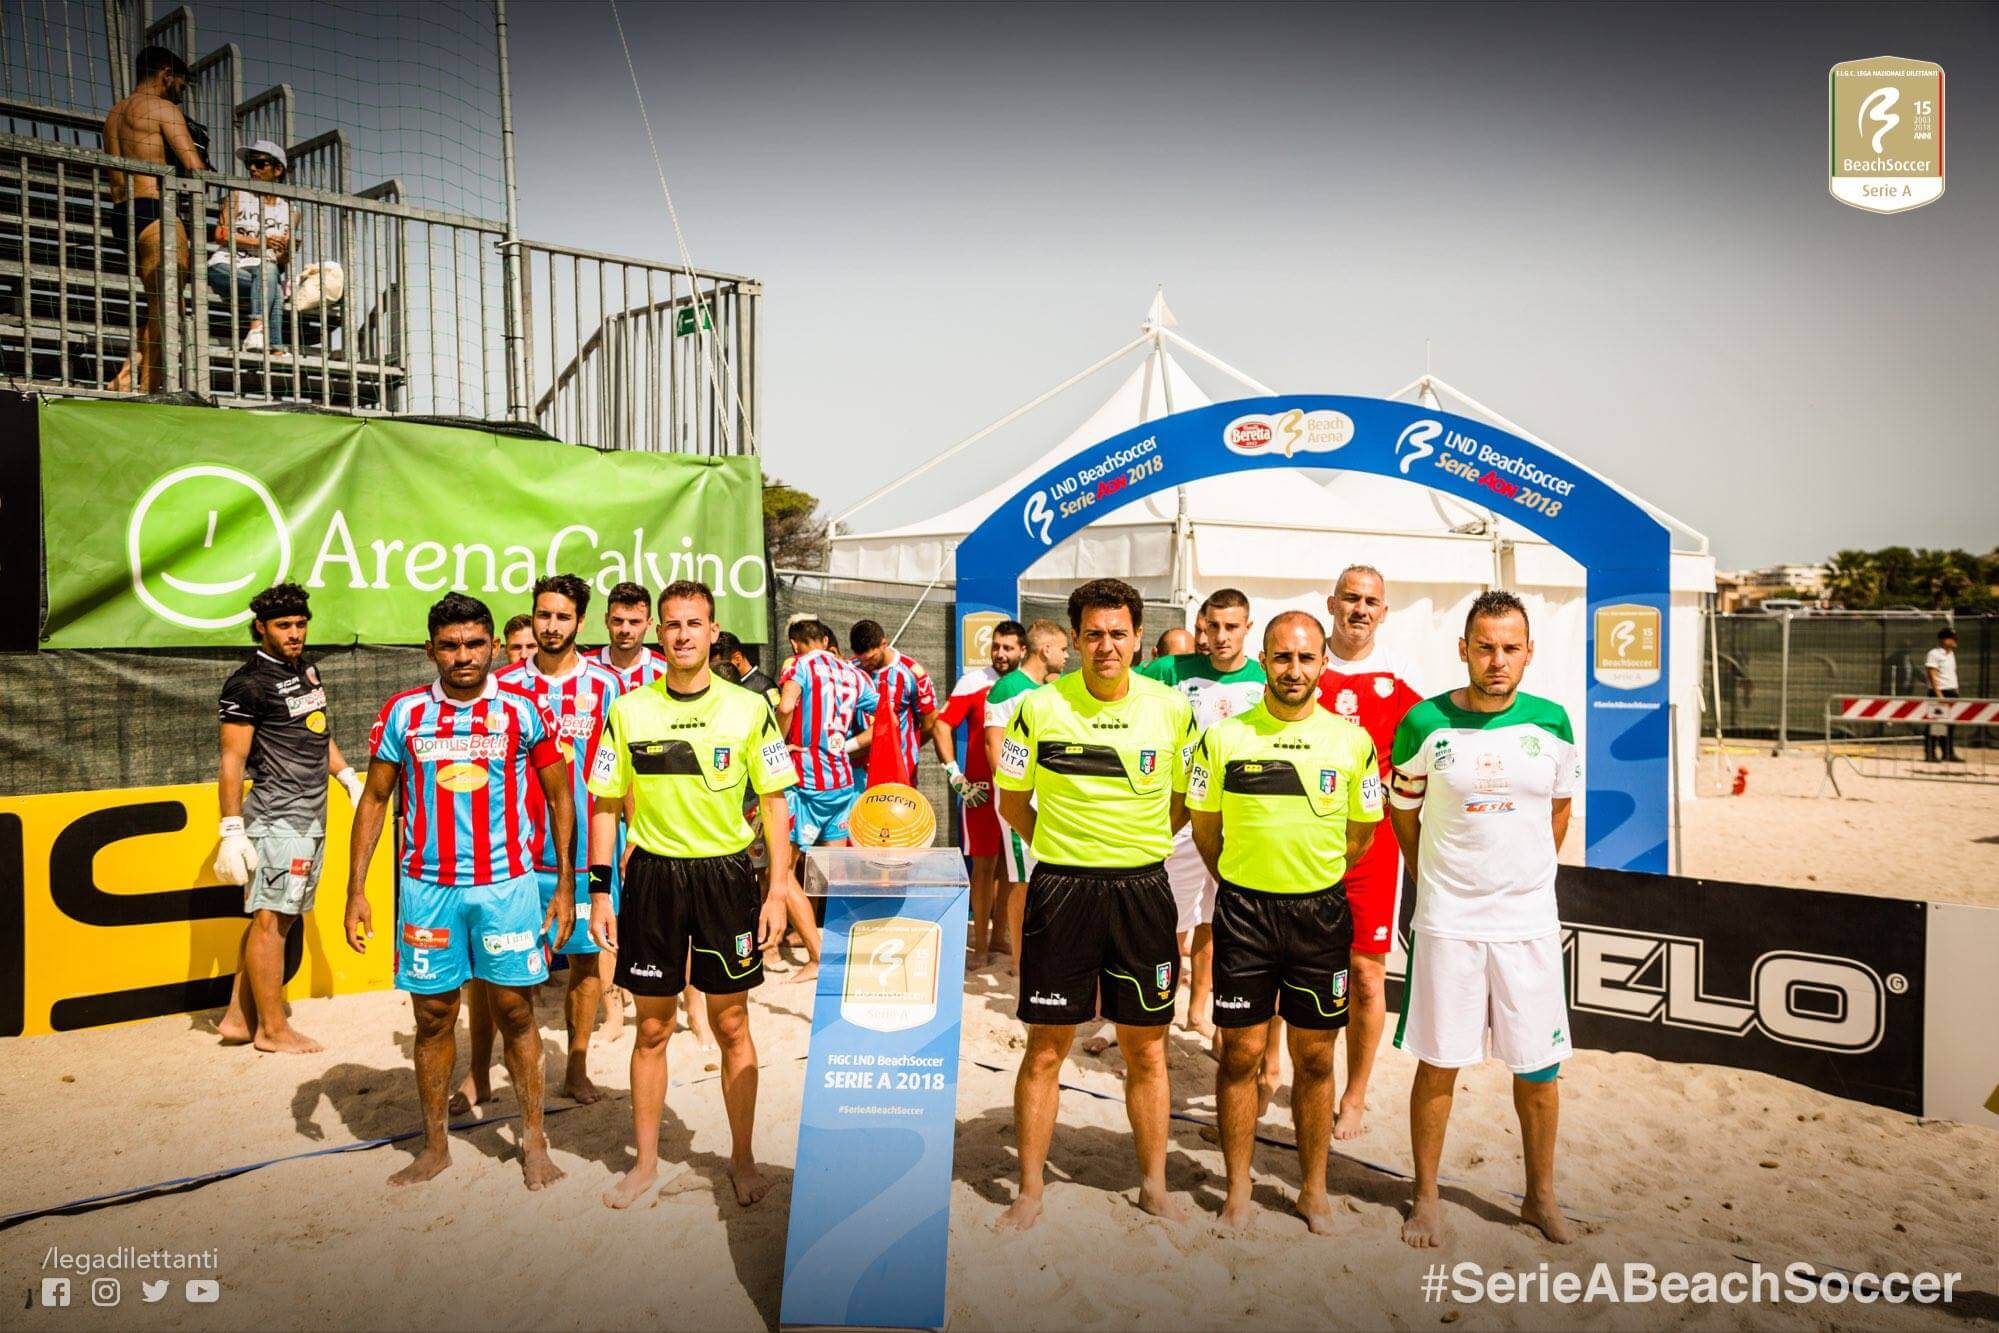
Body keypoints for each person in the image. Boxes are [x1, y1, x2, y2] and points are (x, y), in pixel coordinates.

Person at [344, 593, 574, 1190]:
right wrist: (356, 890)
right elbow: (373, 800)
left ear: (494, 646)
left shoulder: (524, 711)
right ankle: (434, 1147)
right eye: (449, 645)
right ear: (430, 650)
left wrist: (567, 884)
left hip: (507, 888)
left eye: (474, 643)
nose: (463, 656)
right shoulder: (403, 713)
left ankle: (534, 1141)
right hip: (427, 891)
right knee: (433, 1016)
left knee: (517, 1011)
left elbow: (558, 797)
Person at [586, 579, 798, 1210]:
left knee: (732, 1021)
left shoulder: (747, 706)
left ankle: (741, 1158)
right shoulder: (628, 710)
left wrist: (777, 890)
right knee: (651, 1028)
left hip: (725, 876)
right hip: (652, 877)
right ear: (659, 632)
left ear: (712, 632)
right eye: (671, 624)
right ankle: (646, 1163)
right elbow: (603, 807)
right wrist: (602, 892)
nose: (682, 634)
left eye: (694, 624)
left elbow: (775, 802)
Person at [994, 578, 1196, 1230]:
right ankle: (1029, 1188)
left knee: (1146, 1049)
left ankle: (1153, 1184)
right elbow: (1012, 802)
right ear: (1073, 640)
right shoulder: (1037, 707)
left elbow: (1180, 802)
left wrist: (1131, 846)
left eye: (1117, 633)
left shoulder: (1171, 708)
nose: (1105, 645)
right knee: (1047, 1047)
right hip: (1062, 888)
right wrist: (1067, 849)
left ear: (1137, 638)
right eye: (1092, 634)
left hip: (1140, 889)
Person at [1388, 590, 1580, 1247]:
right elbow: (1403, 813)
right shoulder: (1421, 723)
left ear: (1528, 652)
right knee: (1439, 1062)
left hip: (1527, 921)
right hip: (1447, 920)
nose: (1496, 659)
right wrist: (1434, 880)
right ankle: (1424, 1198)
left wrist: (1521, 876)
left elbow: (1556, 811)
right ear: (1463, 648)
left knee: (1539, 1068)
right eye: (1484, 646)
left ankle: (1539, 1198)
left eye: (1509, 647)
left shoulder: (1552, 722)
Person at [1188, 611, 1383, 1233]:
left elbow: (1361, 834)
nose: (1293, 670)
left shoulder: (1353, 742)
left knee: (1317, 1058)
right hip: (1244, 911)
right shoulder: (1223, 739)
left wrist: (1306, 876)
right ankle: (1239, 1189)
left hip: (1319, 913)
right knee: (1240, 1053)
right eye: (1281, 657)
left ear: (1323, 664)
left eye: (1305, 658)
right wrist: (1251, 879)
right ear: (1262, 661)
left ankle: (1313, 1190)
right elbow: (1204, 830)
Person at [492, 574, 627, 1105]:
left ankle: (576, 1065)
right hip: (517, 849)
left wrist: (630, 833)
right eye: (543, 615)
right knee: (504, 969)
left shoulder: (605, 685)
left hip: (590, 847)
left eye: (563, 617)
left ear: (580, 622)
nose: (551, 626)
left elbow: (619, 767)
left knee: (586, 961)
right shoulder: (503, 685)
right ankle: (486, 1072)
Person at [213, 582, 363, 1053]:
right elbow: (231, 760)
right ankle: (272, 1031)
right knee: (273, 922)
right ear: (261, 628)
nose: (294, 633)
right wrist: (231, 829)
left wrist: (347, 777)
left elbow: (318, 732)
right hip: (278, 819)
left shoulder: (306, 670)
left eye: (300, 624)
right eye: (283, 626)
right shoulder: (246, 683)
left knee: (276, 918)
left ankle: (239, 1019)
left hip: (309, 816)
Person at [1315, 564, 1424, 1139]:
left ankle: (1354, 1095)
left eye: (1371, 601)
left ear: (1384, 611)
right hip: (1302, 839)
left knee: (1364, 973)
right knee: (1297, 965)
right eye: (1350, 598)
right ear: (1332, 603)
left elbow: (1428, 753)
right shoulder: (1304, 659)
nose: (1360, 608)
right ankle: (1275, 1067)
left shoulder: (1401, 673)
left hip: (1373, 845)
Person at [1139, 590, 1265, 1045]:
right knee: (1170, 923)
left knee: (1219, 920)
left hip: (1244, 822)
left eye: (1232, 627)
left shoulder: (1264, 678)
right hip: (1186, 819)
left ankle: (1199, 1012)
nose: (1222, 636)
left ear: (1247, 627)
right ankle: (1155, 1015)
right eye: (1213, 627)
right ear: (1201, 628)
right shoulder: (1171, 671)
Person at [774, 618, 878, 981]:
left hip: (805, 780)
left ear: (795, 643)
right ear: (827, 639)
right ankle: (849, 950)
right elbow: (883, 718)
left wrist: (777, 744)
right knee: (837, 870)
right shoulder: (854, 674)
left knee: (783, 871)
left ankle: (818, 957)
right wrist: (846, 745)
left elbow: (786, 707)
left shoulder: (801, 665)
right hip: (842, 780)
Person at [103, 46, 204, 392]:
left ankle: (127, 376)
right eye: (181, 84)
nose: (180, 92)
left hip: (122, 214)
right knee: (168, 308)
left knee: (158, 304)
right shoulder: (162, 108)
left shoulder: (114, 113)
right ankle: (148, 390)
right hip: (155, 209)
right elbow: (195, 168)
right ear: (165, 74)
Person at [983, 619, 1069, 971]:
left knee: (1050, 875)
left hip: (1053, 797)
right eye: (1063, 649)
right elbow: (994, 743)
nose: (1066, 657)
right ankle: (1020, 962)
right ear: (1046, 649)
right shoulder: (1008, 688)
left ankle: (1046, 952)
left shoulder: (1055, 688)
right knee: (1022, 879)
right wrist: (1014, 794)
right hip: (1021, 798)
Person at [942, 620, 1024, 963]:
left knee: (1012, 868)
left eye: (1008, 648)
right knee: (984, 866)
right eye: (996, 646)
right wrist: (954, 775)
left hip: (1020, 790)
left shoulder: (1032, 685)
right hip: (980, 791)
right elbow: (942, 724)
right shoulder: (974, 682)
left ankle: (1000, 937)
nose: (1000, 654)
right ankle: (978, 945)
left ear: (1023, 650)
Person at [849, 619, 968, 795]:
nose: (866, 665)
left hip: (898, 773)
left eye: (870, 658)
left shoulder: (911, 673)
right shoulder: (851, 669)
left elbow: (929, 723)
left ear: (883, 644)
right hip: (857, 773)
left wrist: (902, 749)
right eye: (861, 660)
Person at [206, 139, 291, 355]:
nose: (253, 168)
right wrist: (262, 242)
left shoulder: (289, 209)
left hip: (262, 272)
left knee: (270, 273)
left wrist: (285, 250)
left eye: (260, 164)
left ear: (278, 169)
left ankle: (262, 338)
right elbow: (220, 234)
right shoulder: (238, 195)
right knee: (272, 287)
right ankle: (272, 345)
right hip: (225, 265)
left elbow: (281, 260)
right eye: (250, 164)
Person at [593, 581, 668, 689]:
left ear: (649, 624)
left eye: (634, 622)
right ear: (606, 620)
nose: (625, 630)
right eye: (618, 621)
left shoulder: (666, 672)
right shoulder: (584, 666)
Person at [1924, 627, 1960, 763]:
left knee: (1950, 725)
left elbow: (1952, 673)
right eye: (1953, 638)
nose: (1955, 641)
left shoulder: (1951, 654)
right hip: (1940, 691)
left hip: (1951, 691)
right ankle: (1930, 753)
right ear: (1945, 640)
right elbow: (1932, 674)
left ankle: (1948, 752)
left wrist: (1956, 689)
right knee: (1935, 725)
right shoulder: (1934, 654)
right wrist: (1938, 694)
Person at [715, 631, 778, 705]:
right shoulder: (721, 686)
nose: (713, 671)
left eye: (718, 666)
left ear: (737, 659)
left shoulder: (766, 688)